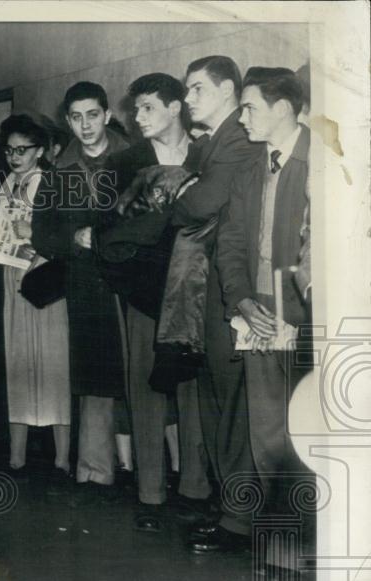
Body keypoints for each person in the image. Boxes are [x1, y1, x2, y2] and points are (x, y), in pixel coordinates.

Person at [201, 67, 313, 563]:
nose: (242, 117)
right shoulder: (251, 170)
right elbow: (229, 243)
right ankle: (279, 542)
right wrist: (243, 299)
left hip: (308, 317)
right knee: (267, 430)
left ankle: (310, 544)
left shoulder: (321, 163)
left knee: (309, 431)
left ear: (283, 108)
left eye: (249, 107)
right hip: (260, 316)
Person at [89, 73, 209, 531]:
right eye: (136, 109)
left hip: (194, 293)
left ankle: (196, 489)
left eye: (148, 108)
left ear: (175, 107)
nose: (137, 118)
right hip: (144, 291)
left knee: (193, 390)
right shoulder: (124, 163)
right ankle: (151, 493)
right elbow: (108, 230)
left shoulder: (206, 154)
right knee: (146, 389)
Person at [169, 56, 266, 534]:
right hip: (209, 288)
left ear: (227, 89)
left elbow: (199, 203)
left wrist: (181, 192)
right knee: (214, 396)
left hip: (231, 288)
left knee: (230, 401)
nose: (188, 99)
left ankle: (239, 516)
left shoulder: (239, 140)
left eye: (197, 89)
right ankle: (229, 504)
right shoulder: (212, 143)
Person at [42, 81, 129, 498]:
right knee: (95, 378)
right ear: (68, 121)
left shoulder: (135, 158)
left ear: (107, 115)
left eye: (93, 115)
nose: (86, 125)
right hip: (87, 285)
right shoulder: (59, 171)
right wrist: (73, 238)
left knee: (144, 375)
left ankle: (162, 471)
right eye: (76, 118)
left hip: (133, 280)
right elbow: (42, 232)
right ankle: (96, 470)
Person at [0, 114, 71, 480]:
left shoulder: (54, 184)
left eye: (22, 150)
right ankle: (17, 456)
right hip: (9, 284)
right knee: (17, 368)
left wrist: (35, 232)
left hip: (45, 285)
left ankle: (62, 457)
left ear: (40, 151)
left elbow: (69, 240)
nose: (14, 157)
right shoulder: (1, 188)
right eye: (9, 150)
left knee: (53, 369)